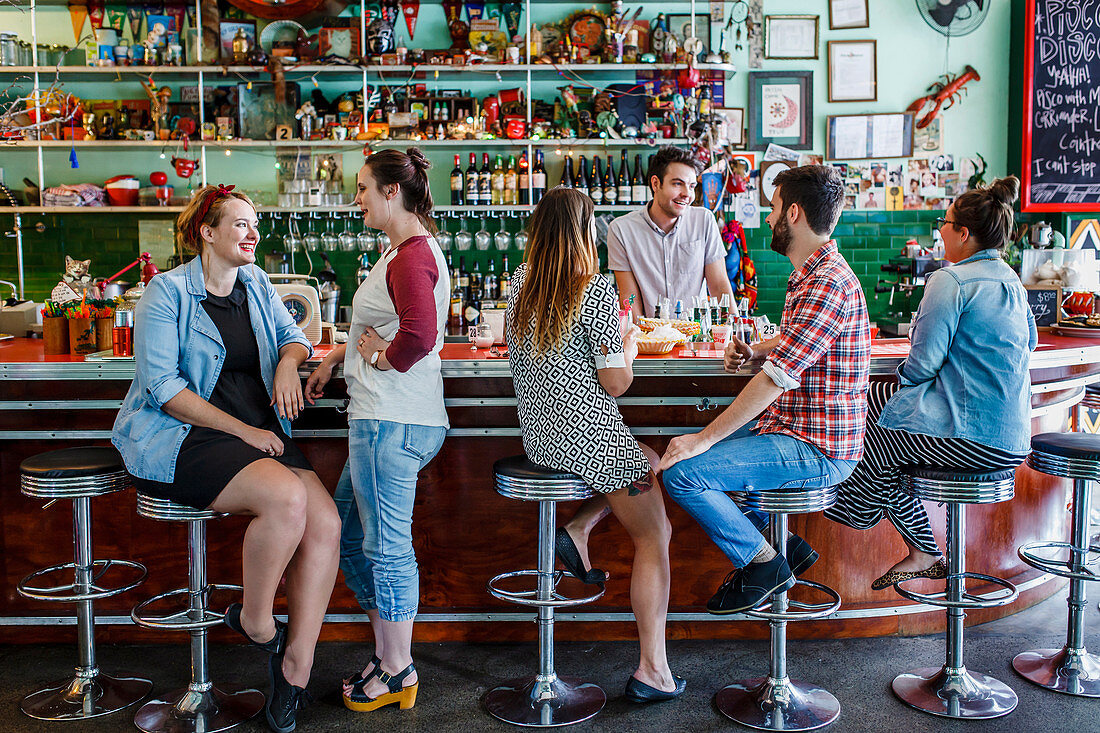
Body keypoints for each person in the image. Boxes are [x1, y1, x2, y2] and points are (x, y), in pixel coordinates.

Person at [112, 184, 340, 733]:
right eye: (239, 223)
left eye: (254, 224)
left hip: (258, 429)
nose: (251, 232)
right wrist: (243, 430)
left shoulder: (258, 283)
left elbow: (295, 338)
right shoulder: (165, 293)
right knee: (286, 499)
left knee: (327, 524)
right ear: (206, 233)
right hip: (184, 433)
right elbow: (163, 388)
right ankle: (258, 624)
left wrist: (289, 362)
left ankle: (294, 668)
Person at [659, 165, 870, 614]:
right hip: (794, 430)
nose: (769, 219)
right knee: (690, 458)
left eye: (773, 209)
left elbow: (778, 379)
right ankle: (786, 548)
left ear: (793, 213)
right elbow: (800, 344)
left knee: (684, 472)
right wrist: (757, 350)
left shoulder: (826, 282)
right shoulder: (810, 274)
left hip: (819, 449)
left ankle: (764, 564)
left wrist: (705, 436)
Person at [506, 187, 683, 703]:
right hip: (588, 437)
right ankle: (654, 670)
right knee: (656, 533)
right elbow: (616, 383)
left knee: (648, 458)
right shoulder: (596, 291)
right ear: (586, 234)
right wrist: (627, 342)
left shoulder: (520, 286)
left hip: (542, 438)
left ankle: (579, 527)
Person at [825, 176, 1035, 589]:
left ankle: (862, 517)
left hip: (971, 438)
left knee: (870, 419)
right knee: (885, 419)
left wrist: (911, 369)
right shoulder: (1010, 279)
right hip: (1012, 442)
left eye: (945, 220)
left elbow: (921, 368)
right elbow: (1027, 342)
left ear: (962, 233)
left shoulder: (950, 280)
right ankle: (918, 547)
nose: (939, 228)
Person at [305, 148, 449, 714]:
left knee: (386, 547)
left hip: (391, 420)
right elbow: (388, 325)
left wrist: (382, 358)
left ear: (393, 193)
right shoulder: (405, 250)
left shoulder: (410, 255)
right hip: (389, 418)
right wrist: (343, 353)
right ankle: (390, 651)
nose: (357, 197)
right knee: (344, 528)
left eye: (364, 187)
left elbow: (416, 338)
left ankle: (396, 668)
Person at [606, 145, 733, 318]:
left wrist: (734, 331)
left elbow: (719, 286)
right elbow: (629, 297)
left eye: (691, 186)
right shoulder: (621, 229)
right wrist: (643, 341)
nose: (687, 194)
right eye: (678, 184)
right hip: (650, 338)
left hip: (697, 336)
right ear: (656, 183)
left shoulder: (704, 220)